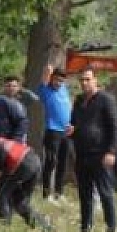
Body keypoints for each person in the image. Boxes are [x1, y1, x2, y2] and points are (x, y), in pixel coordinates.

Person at [68, 70, 117, 232]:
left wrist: (111, 151)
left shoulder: (106, 99)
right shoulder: (78, 101)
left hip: (100, 153)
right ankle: (85, 227)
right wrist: (72, 131)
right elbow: (74, 123)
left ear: (95, 80)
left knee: (105, 192)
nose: (84, 83)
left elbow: (115, 126)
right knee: (84, 193)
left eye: (88, 79)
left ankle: (112, 228)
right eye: (82, 80)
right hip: (82, 153)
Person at [37, 64, 73, 201]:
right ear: (51, 79)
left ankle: (59, 192)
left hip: (66, 132)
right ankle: (46, 194)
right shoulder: (45, 90)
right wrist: (48, 71)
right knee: (51, 162)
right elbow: (45, 78)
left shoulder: (63, 89)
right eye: (56, 80)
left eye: (61, 80)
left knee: (63, 163)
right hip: (52, 131)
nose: (58, 83)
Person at [0, 76, 30, 143]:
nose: (11, 88)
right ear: (4, 87)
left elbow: (22, 123)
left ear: (18, 88)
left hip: (14, 140)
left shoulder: (21, 103)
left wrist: (15, 140)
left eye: (14, 86)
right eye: (8, 86)